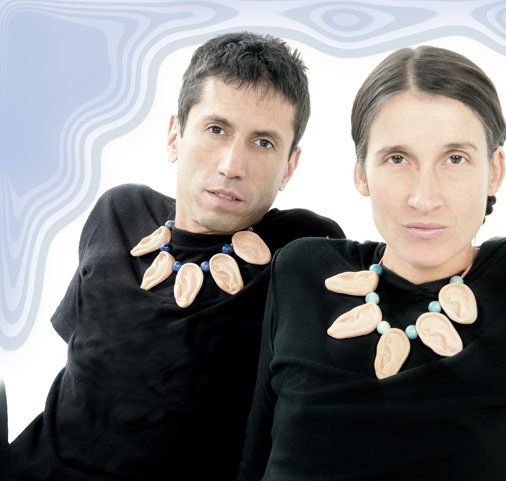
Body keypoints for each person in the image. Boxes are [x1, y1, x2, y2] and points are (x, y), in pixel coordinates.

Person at [238, 45, 506, 480]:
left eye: (455, 158)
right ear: (361, 172)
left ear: (494, 171)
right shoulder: (302, 270)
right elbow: (253, 461)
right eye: (397, 158)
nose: (424, 198)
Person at [8, 31, 344, 481]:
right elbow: (87, 373)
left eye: (263, 142)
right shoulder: (119, 212)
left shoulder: (304, 248)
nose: (231, 166)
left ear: (290, 166)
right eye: (216, 129)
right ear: (174, 135)